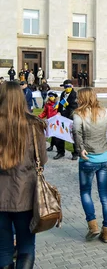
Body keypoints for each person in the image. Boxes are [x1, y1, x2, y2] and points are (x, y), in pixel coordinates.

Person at [72, 88, 107, 243]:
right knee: (105, 195)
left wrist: (80, 149)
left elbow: (76, 132)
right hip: (105, 158)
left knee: (85, 192)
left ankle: (92, 226)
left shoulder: (79, 114)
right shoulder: (106, 112)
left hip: (88, 159)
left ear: (82, 98)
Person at [0, 81, 47, 268]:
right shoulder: (34, 125)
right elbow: (41, 160)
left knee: (3, 248)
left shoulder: (34, 124)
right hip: (26, 195)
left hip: (7, 196)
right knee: (26, 246)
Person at [54, 81, 79, 160]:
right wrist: (58, 111)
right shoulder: (63, 94)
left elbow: (74, 107)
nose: (66, 88)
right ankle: (60, 152)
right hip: (62, 117)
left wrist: (67, 106)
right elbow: (60, 105)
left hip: (70, 117)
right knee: (60, 135)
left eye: (68, 87)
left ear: (72, 86)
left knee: (73, 135)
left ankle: (75, 153)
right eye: (65, 87)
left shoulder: (74, 95)